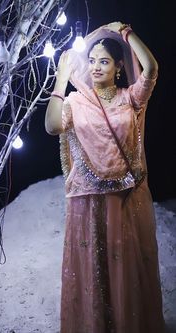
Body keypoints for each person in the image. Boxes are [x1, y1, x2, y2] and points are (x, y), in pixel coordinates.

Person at [45, 22, 165, 333]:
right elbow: (53, 126)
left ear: (119, 66)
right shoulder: (76, 101)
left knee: (123, 266)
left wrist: (126, 33)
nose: (96, 67)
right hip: (87, 199)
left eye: (104, 61)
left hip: (125, 197)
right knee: (93, 269)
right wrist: (61, 78)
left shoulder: (131, 99)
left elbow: (151, 68)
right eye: (92, 61)